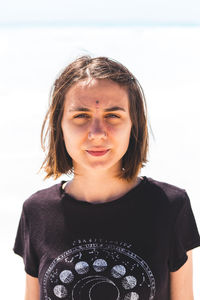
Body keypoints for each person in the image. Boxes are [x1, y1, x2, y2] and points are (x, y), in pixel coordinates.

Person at [13, 56, 200, 300]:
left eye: (113, 116)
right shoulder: (36, 211)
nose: (98, 133)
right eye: (81, 116)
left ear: (135, 124)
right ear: (60, 125)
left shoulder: (171, 206)